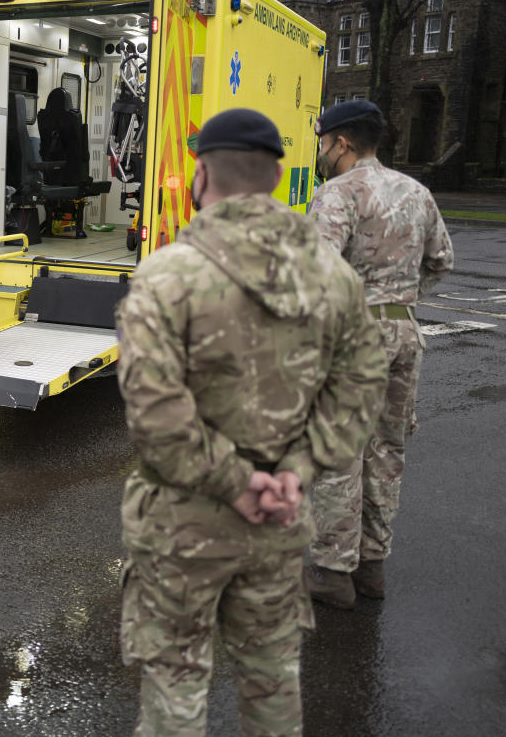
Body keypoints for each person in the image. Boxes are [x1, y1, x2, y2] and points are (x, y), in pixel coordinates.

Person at [116, 108, 388, 736]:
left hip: (182, 526)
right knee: (272, 686)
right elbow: (361, 383)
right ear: (276, 179)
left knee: (175, 691)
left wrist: (236, 483)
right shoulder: (333, 277)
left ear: (199, 178)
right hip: (280, 520)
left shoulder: (166, 277)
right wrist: (296, 470)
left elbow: (156, 415)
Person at [305, 100, 455, 608]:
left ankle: (333, 572)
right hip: (404, 335)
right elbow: (441, 260)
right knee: (387, 452)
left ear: (341, 143)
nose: (322, 152)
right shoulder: (416, 192)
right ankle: (372, 569)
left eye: (323, 142)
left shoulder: (336, 194)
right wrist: (397, 301)